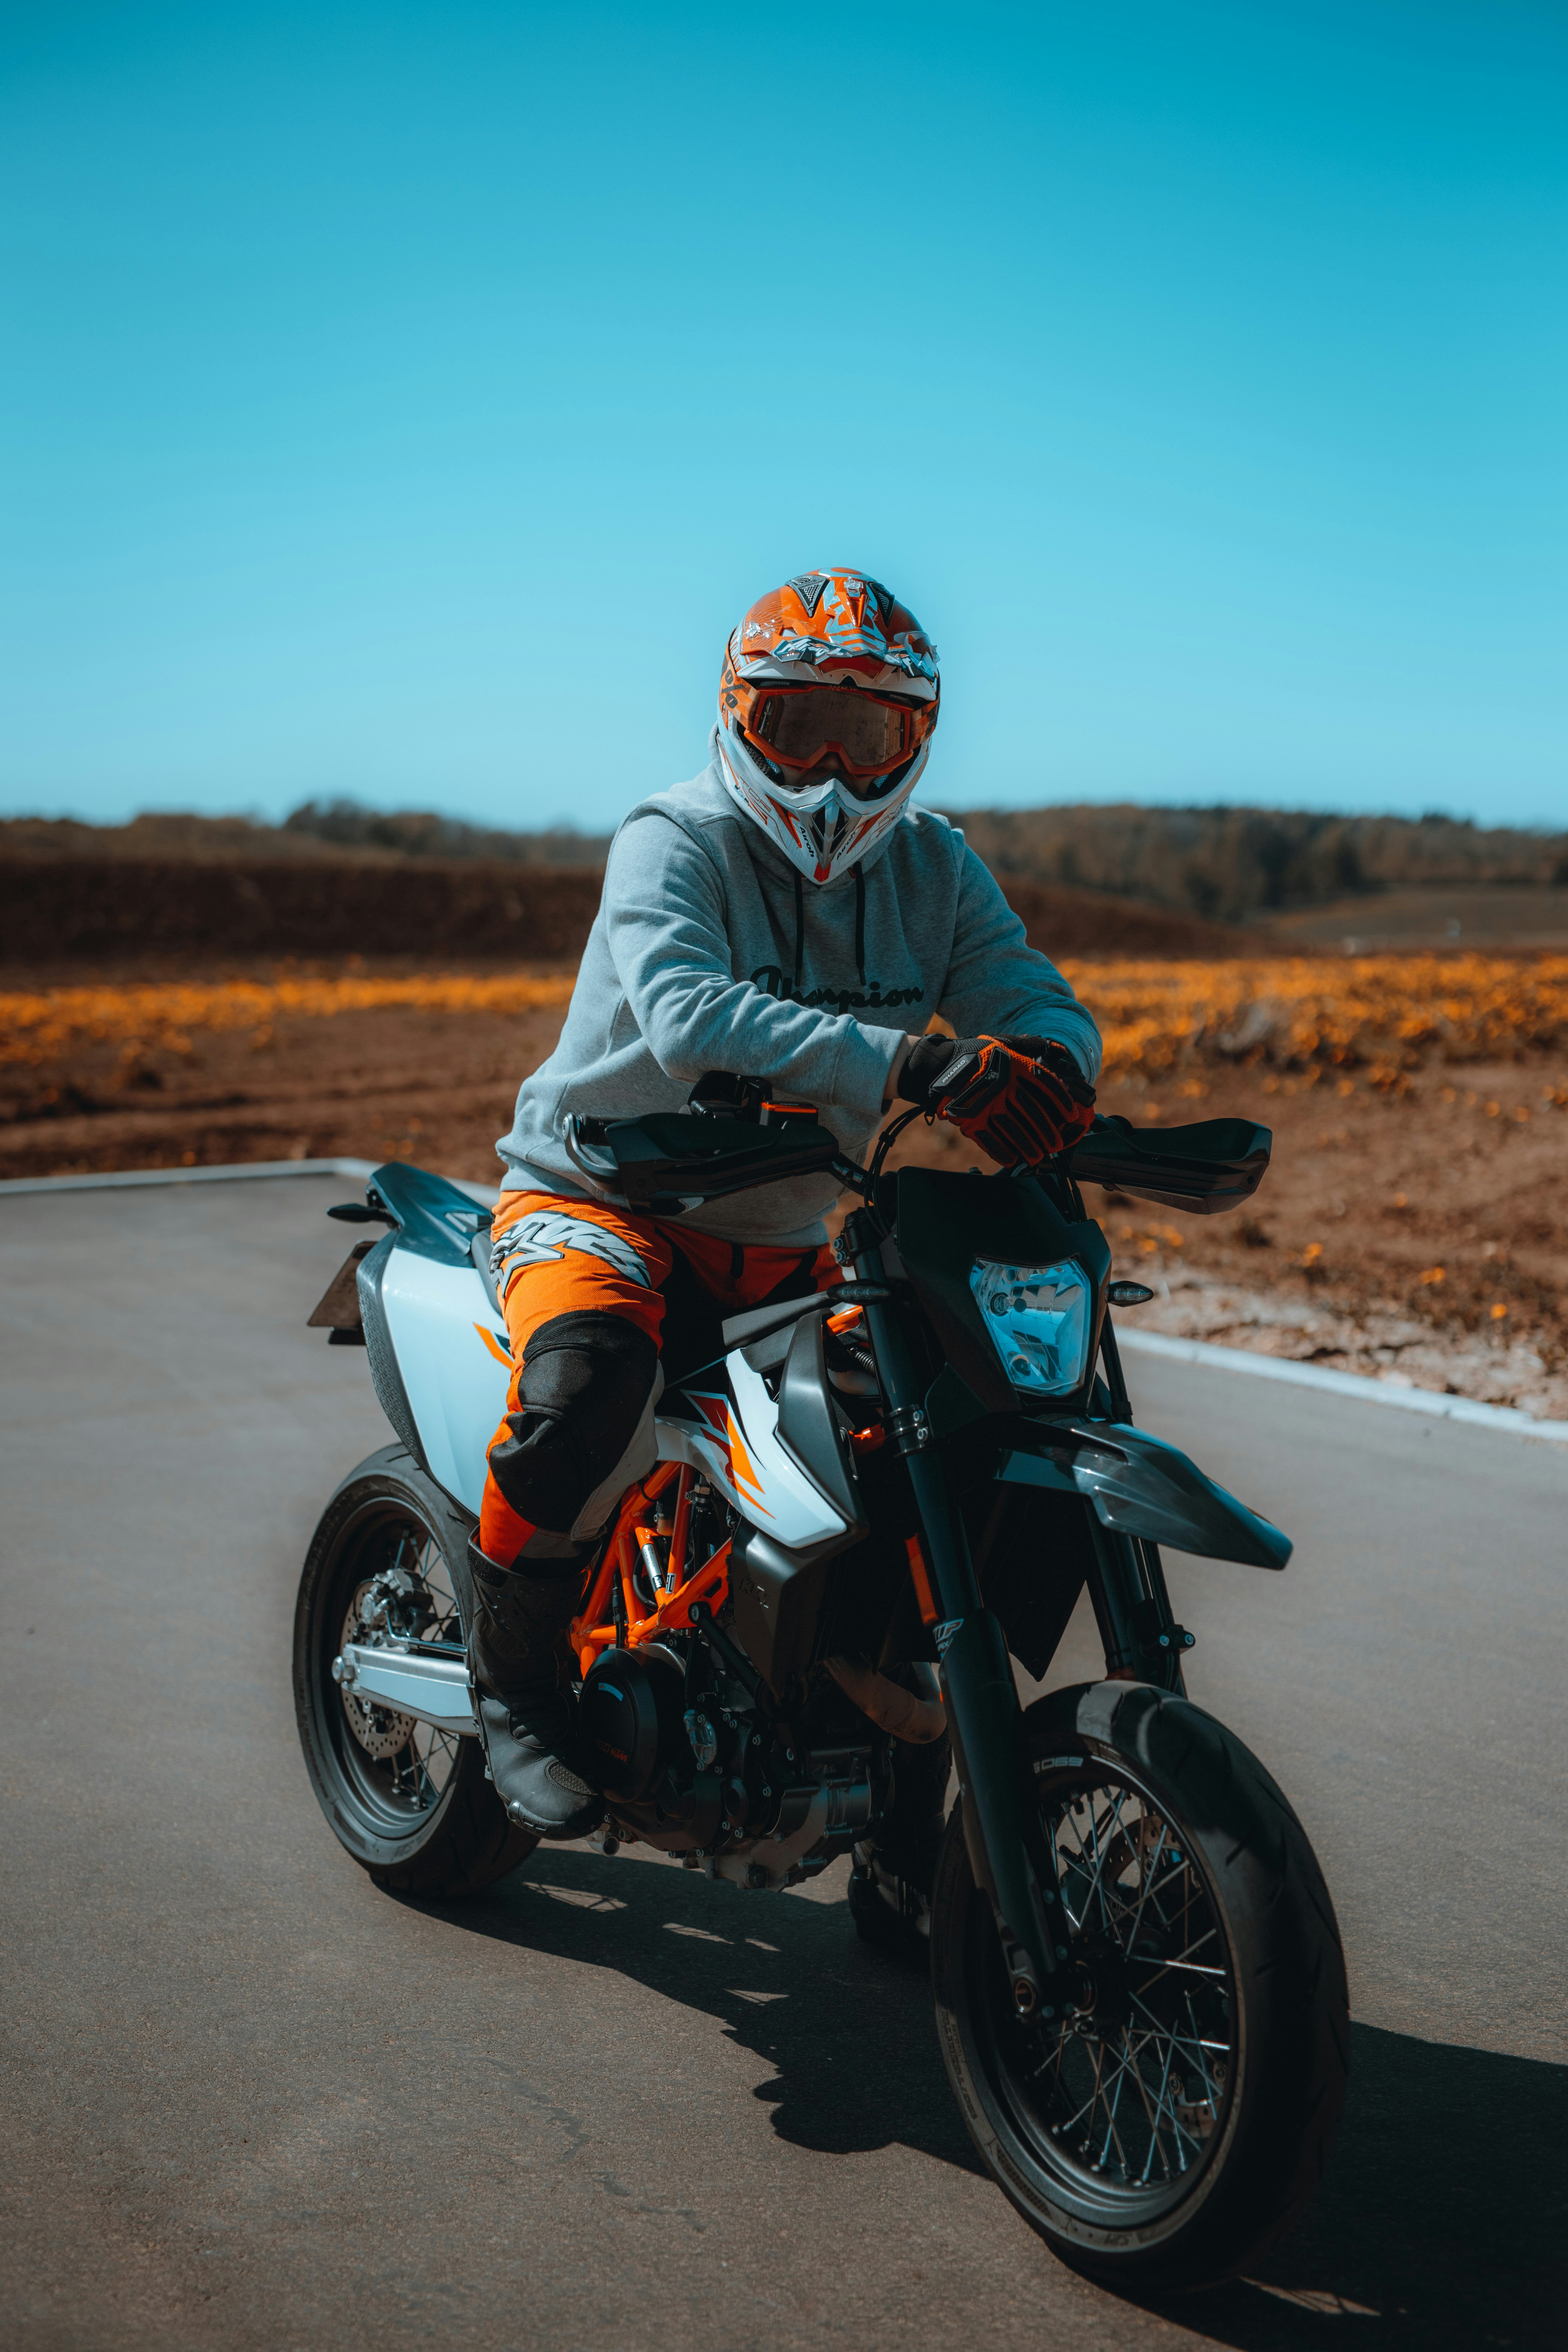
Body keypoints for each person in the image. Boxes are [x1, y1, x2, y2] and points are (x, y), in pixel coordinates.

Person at [469, 568, 1102, 1897]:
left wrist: (1055, 1066)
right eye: (793, 722)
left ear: (914, 743)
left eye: (864, 736)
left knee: (941, 1431)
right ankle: (514, 1686)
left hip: (781, 1239)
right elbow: (690, 1015)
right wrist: (920, 1068)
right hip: (600, 1201)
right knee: (588, 1381)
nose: (827, 767)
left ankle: (900, 1814)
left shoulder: (935, 867)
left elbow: (1026, 989)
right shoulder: (673, 838)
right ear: (733, 715)